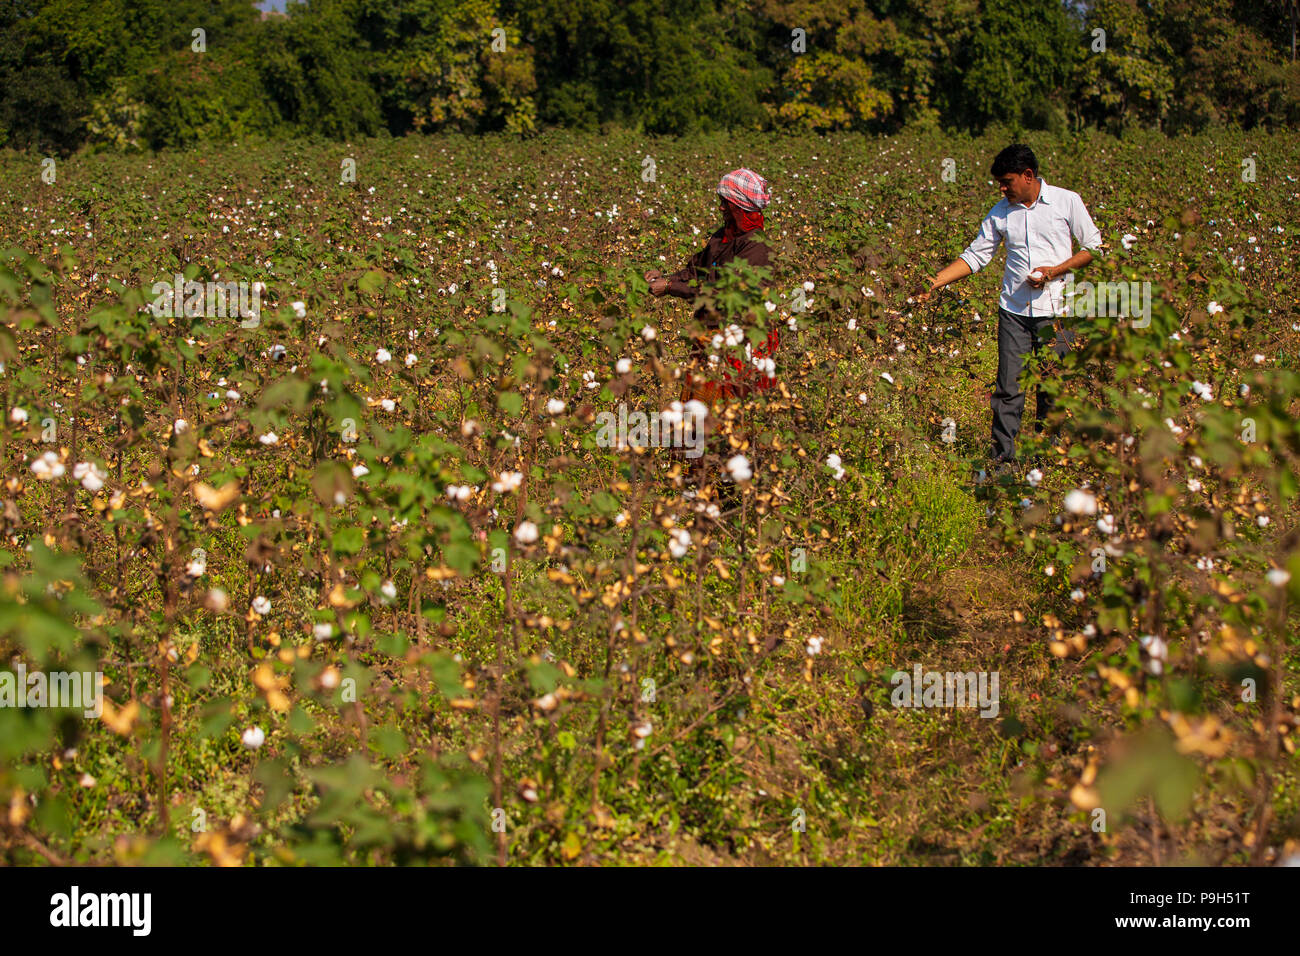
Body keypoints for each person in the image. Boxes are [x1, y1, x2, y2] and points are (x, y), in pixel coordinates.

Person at [917, 144, 1102, 465]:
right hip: (1014, 313)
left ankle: (1044, 459)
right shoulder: (1000, 212)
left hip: (1059, 312)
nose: (1003, 189)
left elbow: (1093, 247)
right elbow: (976, 256)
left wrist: (1055, 271)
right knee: (1008, 389)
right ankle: (1002, 461)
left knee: (1052, 387)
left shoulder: (1065, 201)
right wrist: (933, 283)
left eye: (1007, 181)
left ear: (1028, 176)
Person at [646, 168, 778, 405]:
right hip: (711, 335)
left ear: (739, 207)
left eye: (725, 204)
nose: (720, 208)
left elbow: (724, 297)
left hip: (738, 342)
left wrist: (670, 288)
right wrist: (666, 278)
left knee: (727, 414)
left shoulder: (757, 248)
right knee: (698, 409)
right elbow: (696, 271)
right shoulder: (723, 236)